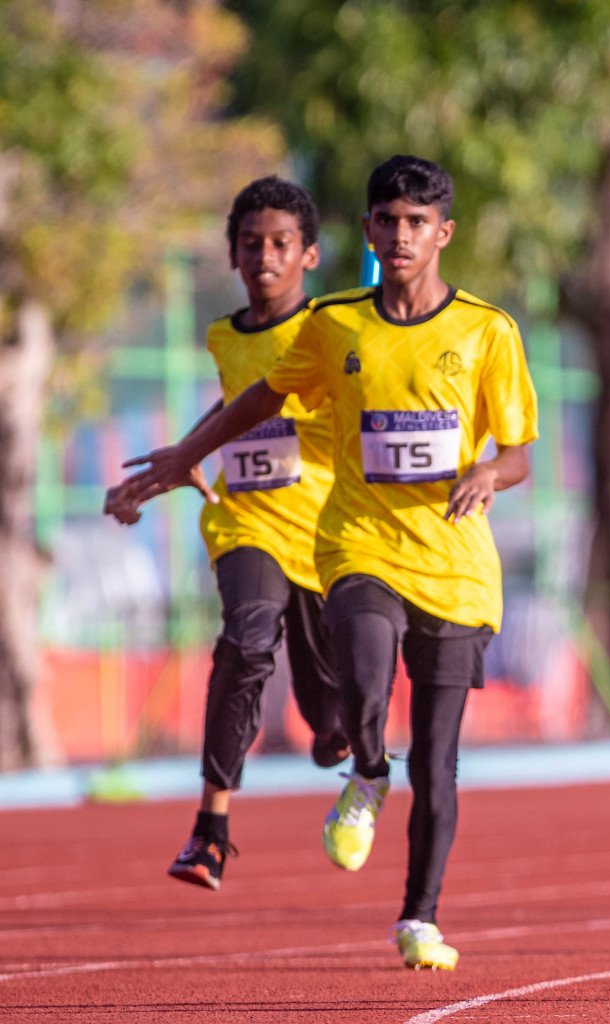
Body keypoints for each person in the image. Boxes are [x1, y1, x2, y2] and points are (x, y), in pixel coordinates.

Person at [111, 155, 538, 971]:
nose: (401, 234)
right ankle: (355, 777)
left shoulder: (488, 330)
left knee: (438, 758)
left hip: (453, 564)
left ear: (442, 233)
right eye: (387, 220)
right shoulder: (336, 323)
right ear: (370, 232)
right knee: (355, 681)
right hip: (355, 544)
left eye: (417, 222)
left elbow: (519, 452)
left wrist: (488, 471)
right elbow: (263, 397)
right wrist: (182, 458)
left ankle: (419, 916)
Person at [105, 177, 346, 892]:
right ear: (232, 255)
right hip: (246, 521)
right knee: (243, 644)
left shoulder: (332, 331)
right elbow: (234, 406)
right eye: (251, 244)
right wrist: (175, 464)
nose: (264, 257)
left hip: (327, 536)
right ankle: (210, 830)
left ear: (309, 255)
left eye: (280, 244)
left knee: (324, 709)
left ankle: (336, 725)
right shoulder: (222, 336)